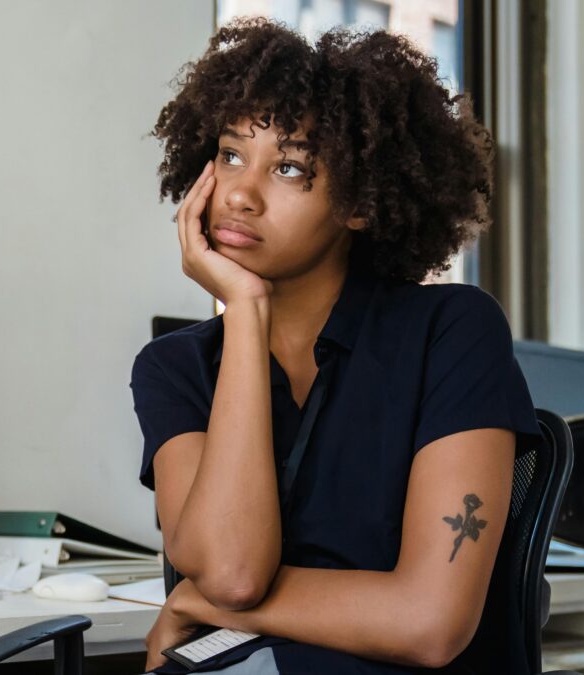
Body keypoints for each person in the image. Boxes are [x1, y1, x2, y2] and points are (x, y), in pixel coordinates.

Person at [130, 17, 540, 675]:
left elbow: (430, 623)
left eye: (289, 167)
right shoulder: (177, 368)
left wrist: (204, 602)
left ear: (359, 203)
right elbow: (233, 572)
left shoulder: (452, 332)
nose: (241, 194)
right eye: (231, 155)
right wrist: (246, 311)